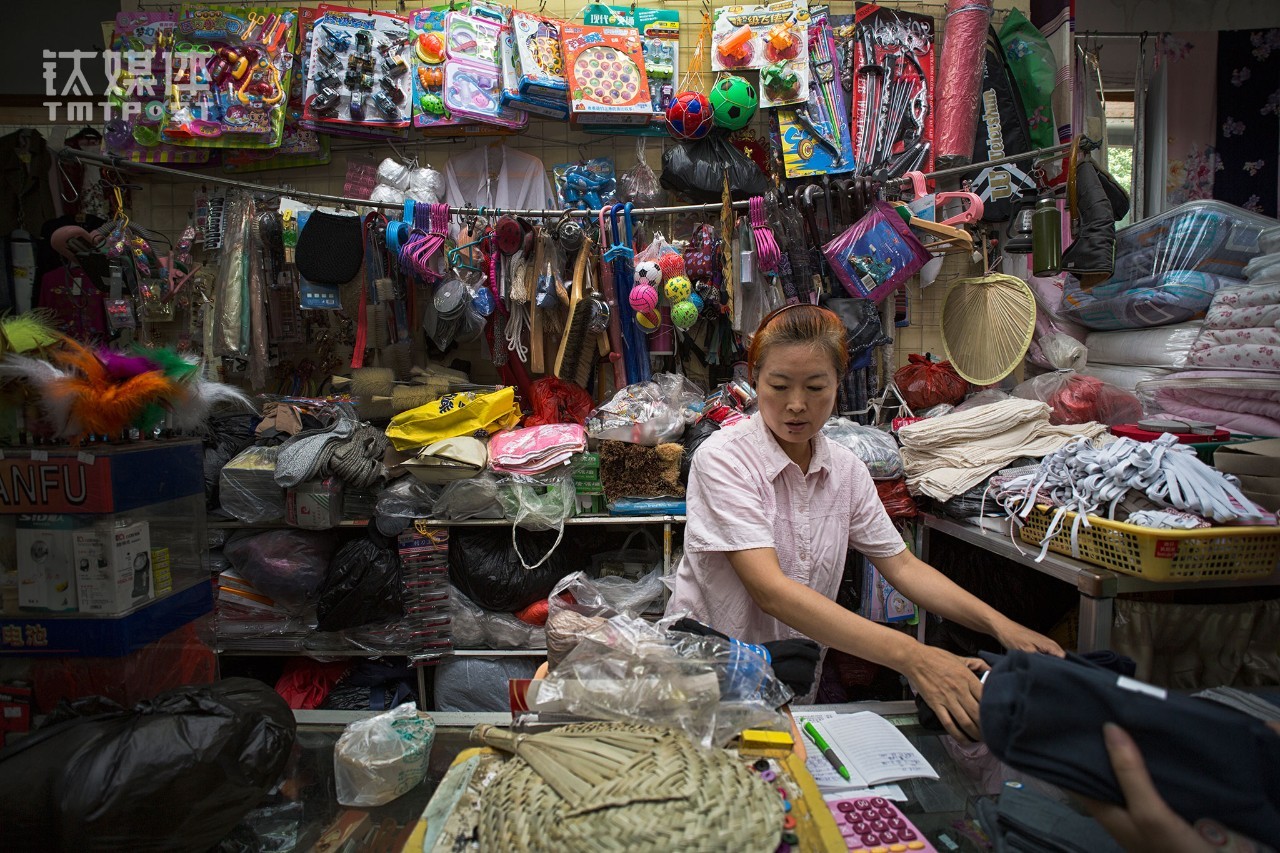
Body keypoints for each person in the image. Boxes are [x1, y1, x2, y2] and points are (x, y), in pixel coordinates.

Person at [666, 304, 1064, 742]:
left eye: (815, 387)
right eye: (778, 386)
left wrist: (998, 624)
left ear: (838, 384)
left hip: (792, 680)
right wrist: (913, 656)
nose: (796, 405)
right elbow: (771, 590)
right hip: (713, 673)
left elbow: (903, 566)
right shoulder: (724, 459)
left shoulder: (846, 471)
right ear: (755, 380)